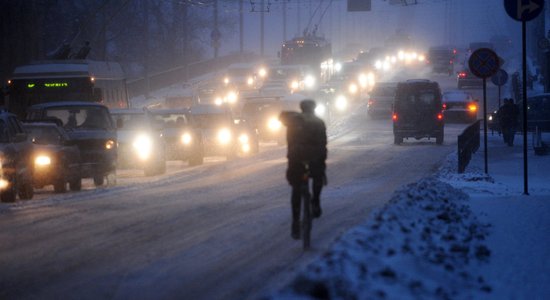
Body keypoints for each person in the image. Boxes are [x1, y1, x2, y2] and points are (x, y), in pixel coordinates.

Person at [279, 99, 327, 240]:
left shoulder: (294, 121)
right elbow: (323, 145)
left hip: (296, 160)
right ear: (313, 108)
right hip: (314, 159)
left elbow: (290, 143)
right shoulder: (318, 122)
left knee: (296, 189)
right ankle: (316, 203)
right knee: (318, 177)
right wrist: (322, 164)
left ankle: (295, 223)